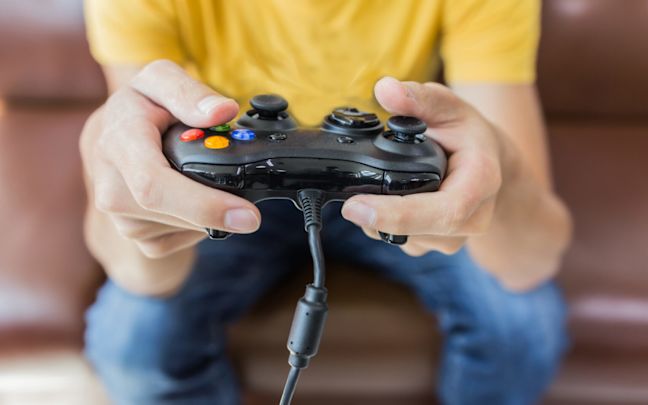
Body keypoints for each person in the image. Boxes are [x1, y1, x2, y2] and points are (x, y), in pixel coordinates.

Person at [81, 1, 572, 404]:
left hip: (395, 190)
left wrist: (499, 167)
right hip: (228, 190)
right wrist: (119, 184)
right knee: (134, 341)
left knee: (523, 326)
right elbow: (141, 271)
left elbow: (529, 263)